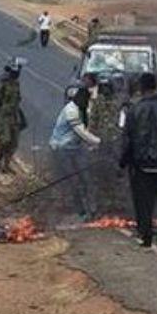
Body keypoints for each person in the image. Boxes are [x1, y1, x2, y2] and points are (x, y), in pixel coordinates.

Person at [120, 73, 157, 247]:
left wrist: (123, 161)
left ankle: (146, 238)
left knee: (144, 201)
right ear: (155, 87)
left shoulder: (134, 110)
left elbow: (128, 139)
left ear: (141, 88)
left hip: (142, 165)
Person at [50, 86, 101, 221]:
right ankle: (82, 212)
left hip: (75, 147)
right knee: (74, 181)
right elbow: (81, 132)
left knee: (86, 178)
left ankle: (92, 209)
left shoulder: (82, 109)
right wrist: (98, 142)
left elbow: (86, 129)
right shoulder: (71, 110)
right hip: (63, 148)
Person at [0, 61, 26, 173]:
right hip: (3, 116)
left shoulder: (16, 84)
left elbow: (17, 101)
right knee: (5, 141)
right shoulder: (3, 83)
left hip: (14, 116)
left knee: (14, 143)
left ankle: (6, 165)